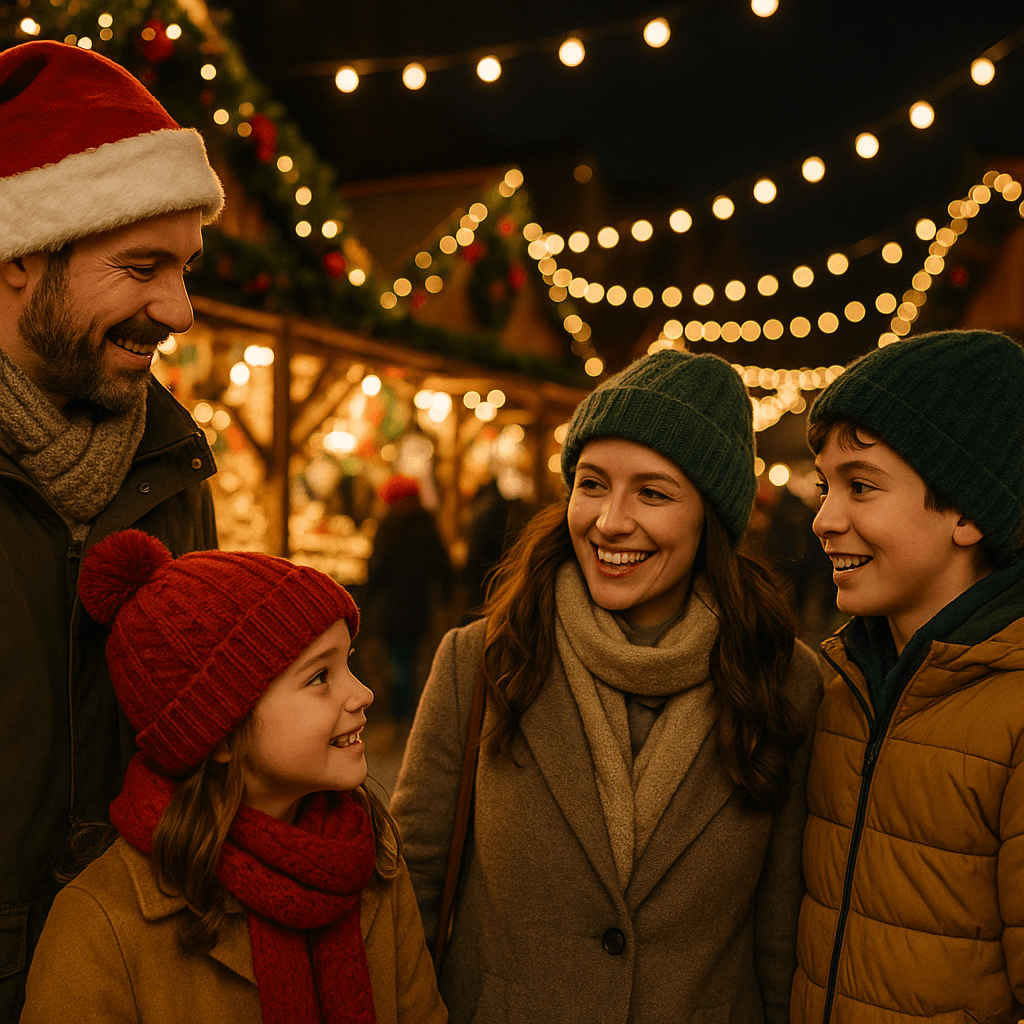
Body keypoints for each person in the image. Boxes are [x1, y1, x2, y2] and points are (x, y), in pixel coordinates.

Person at [393, 349, 823, 1023]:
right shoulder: (481, 660)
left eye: (652, 493)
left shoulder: (782, 677)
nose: (610, 521)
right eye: (591, 484)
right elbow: (408, 899)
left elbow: (778, 933)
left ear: (711, 517)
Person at [0, 40, 224, 1020]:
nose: (176, 309)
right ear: (19, 257)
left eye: (183, 268)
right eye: (143, 266)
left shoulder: (173, 469)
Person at [20, 530, 447, 1024]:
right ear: (219, 731)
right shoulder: (102, 923)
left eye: (346, 662)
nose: (363, 694)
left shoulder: (369, 864)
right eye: (319, 677)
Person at [791, 329, 1024, 1022]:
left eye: (861, 486)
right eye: (824, 487)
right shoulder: (842, 687)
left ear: (968, 512)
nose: (825, 520)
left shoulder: (1014, 713)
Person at [362, 474, 453, 722]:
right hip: (414, 609)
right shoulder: (426, 526)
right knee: (407, 665)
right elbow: (443, 569)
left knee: (400, 667)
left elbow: (376, 571)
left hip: (396, 610)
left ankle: (404, 717)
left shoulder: (391, 528)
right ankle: (408, 715)